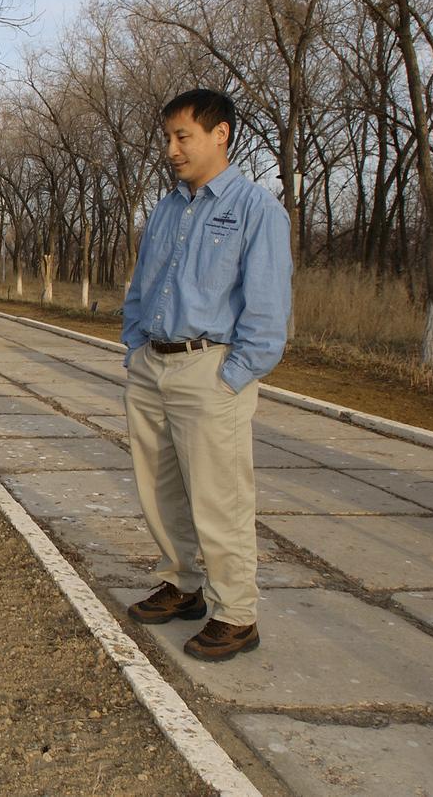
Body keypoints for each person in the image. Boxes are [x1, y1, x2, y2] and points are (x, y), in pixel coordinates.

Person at [121, 89, 292, 662]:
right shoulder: (168, 207)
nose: (171, 149)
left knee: (220, 500)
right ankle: (183, 584)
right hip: (154, 366)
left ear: (220, 135)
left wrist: (233, 375)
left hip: (210, 370)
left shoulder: (256, 209)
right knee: (161, 491)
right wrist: (134, 348)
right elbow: (143, 285)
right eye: (167, 137)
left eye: (182, 136)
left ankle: (236, 614)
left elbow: (267, 312)